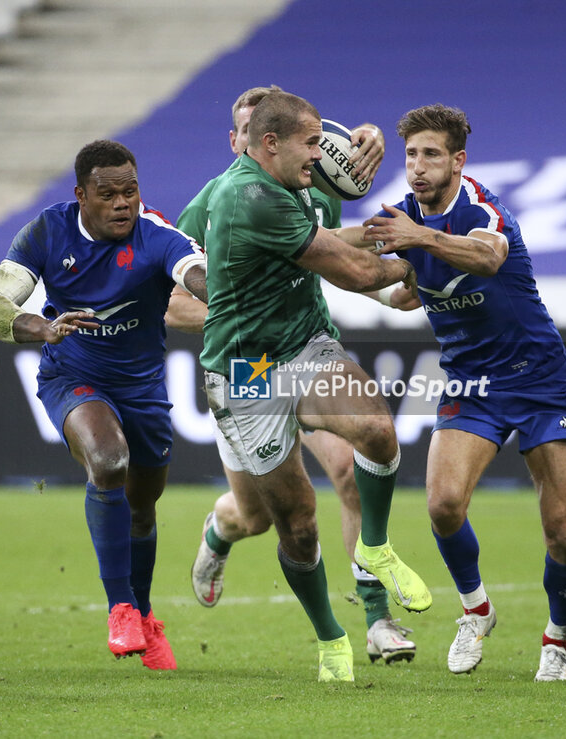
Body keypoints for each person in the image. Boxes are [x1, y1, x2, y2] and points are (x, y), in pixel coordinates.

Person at [167, 85, 416, 666]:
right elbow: (170, 303)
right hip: (247, 369)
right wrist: (236, 308)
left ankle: (377, 616)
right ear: (245, 142)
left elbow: (331, 249)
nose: (315, 153)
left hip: (305, 352)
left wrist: (365, 145)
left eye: (317, 141)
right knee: (267, 518)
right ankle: (220, 530)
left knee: (356, 464)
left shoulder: (308, 182)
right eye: (245, 129)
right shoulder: (214, 204)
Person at [362, 104, 566, 682]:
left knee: (562, 530)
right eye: (411, 154)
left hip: (539, 377)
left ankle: (557, 638)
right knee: (442, 504)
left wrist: (420, 237)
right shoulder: (403, 220)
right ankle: (476, 611)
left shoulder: (482, 209)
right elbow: (405, 293)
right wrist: (338, 274)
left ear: (458, 160)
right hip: (471, 380)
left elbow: (487, 257)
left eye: (431, 154)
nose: (417, 166)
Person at [0, 139, 208, 671]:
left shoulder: (156, 233)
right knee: (108, 461)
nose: (123, 203)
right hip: (73, 376)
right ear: (82, 195)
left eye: (131, 191)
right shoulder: (47, 231)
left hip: (143, 387)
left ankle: (146, 617)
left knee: (143, 505)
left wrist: (221, 292)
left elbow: (194, 272)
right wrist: (44, 327)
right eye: (109, 194)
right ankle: (120, 607)